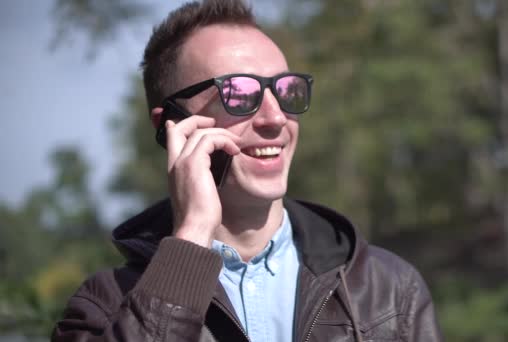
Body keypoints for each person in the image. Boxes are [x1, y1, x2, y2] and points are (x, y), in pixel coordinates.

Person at [52, 0, 442, 341]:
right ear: (169, 123)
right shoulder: (104, 307)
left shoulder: (388, 290)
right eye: (239, 93)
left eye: (286, 90)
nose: (275, 118)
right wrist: (191, 237)